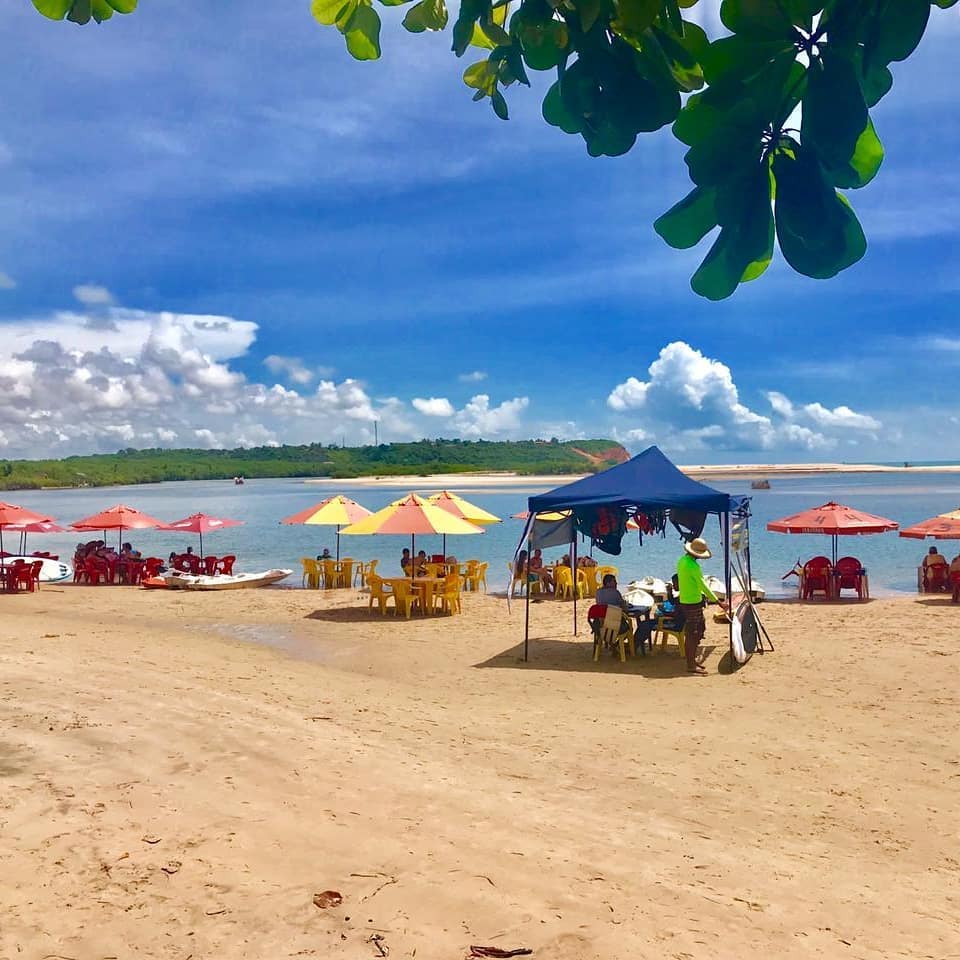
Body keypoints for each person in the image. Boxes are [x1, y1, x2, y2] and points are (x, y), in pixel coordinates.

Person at [676, 538, 726, 676]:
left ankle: (692, 660)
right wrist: (718, 601)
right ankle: (691, 664)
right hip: (692, 603)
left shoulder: (682, 561)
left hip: (685, 600)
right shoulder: (693, 567)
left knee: (697, 630)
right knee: (693, 634)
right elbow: (703, 585)